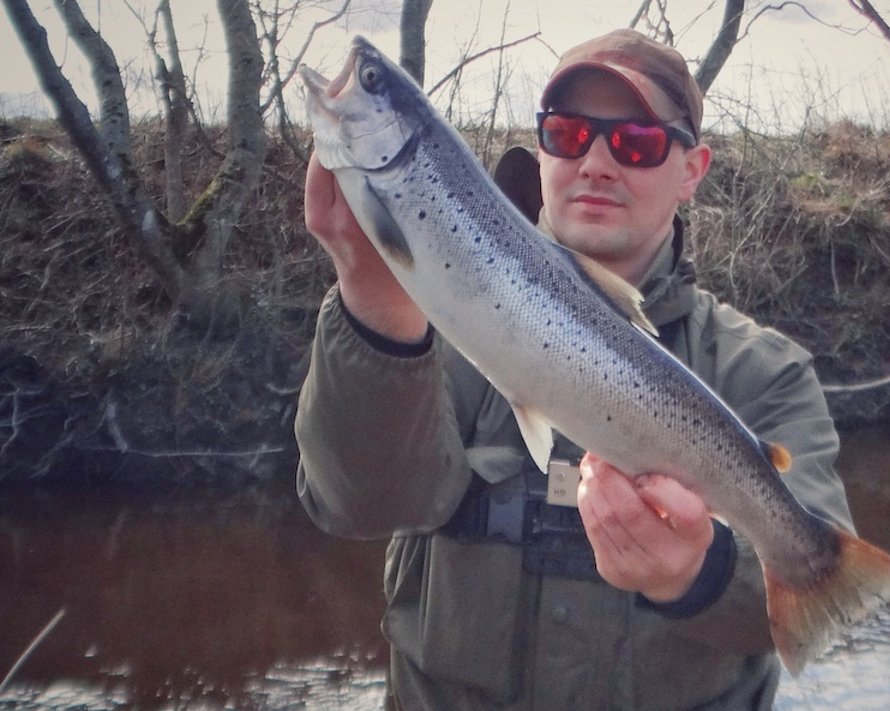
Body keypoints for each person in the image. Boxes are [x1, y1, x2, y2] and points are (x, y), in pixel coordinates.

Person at [296, 28, 854, 710]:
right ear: (541, 148)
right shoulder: (435, 323)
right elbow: (358, 503)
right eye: (567, 132)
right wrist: (374, 303)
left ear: (692, 169)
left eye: (637, 143)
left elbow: (800, 607)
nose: (595, 161)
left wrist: (697, 573)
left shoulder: (767, 372)